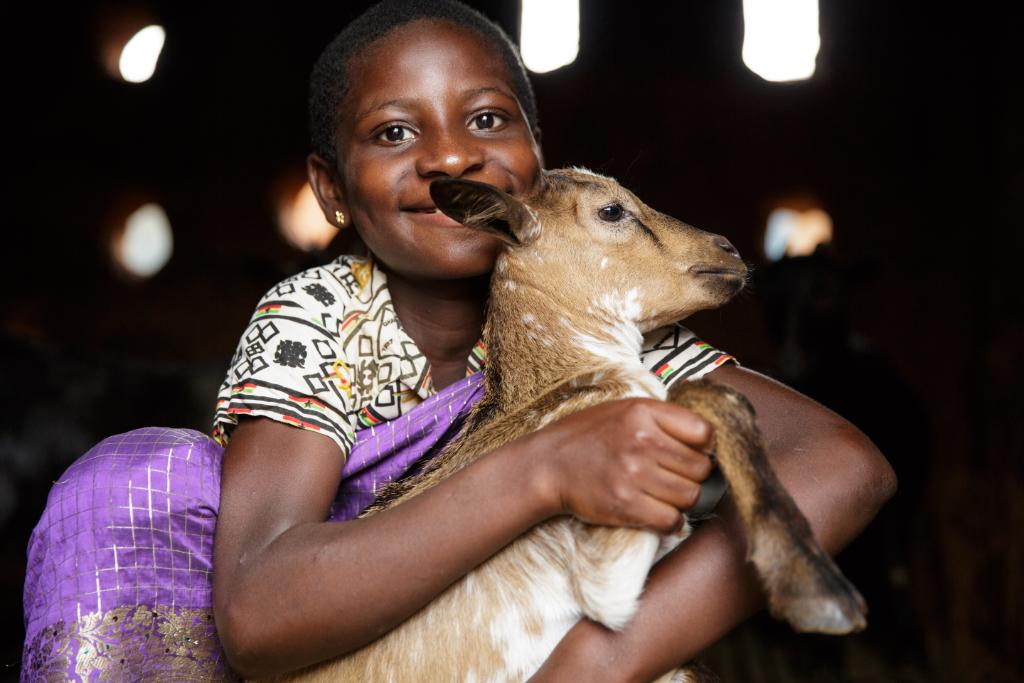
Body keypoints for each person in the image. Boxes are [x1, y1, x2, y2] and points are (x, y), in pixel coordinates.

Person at [21, 1, 896, 681]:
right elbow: (255, 617)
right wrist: (543, 467)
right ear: (331, 191)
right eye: (394, 133)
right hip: (356, 657)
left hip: (539, 660)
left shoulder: (592, 311)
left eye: (486, 120)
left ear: (538, 155)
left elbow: (845, 464)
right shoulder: (320, 314)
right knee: (138, 482)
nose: (449, 159)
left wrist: (605, 657)